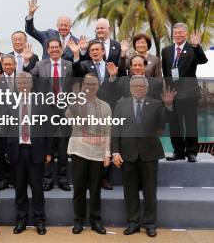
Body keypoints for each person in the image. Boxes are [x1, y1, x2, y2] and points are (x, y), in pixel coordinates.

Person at [112, 76, 176, 237]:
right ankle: (133, 223)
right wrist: (115, 151)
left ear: (147, 88)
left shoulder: (156, 104)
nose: (138, 88)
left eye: (141, 85)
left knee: (150, 191)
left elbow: (165, 122)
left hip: (149, 154)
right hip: (127, 154)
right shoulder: (121, 104)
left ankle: (150, 224)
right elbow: (115, 130)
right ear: (130, 88)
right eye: (135, 85)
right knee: (130, 191)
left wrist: (168, 105)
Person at [8, 73, 52, 236]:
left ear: (31, 84)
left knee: (37, 188)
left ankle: (39, 221)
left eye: (26, 81)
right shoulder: (11, 103)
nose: (23, 84)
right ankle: (21, 220)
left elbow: (49, 128)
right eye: (20, 82)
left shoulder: (41, 102)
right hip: (17, 151)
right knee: (19, 189)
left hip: (37, 151)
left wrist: (48, 151)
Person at [66, 74, 110, 235]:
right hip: (79, 151)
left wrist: (107, 153)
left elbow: (108, 131)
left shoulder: (105, 106)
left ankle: (95, 221)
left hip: (98, 153)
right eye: (87, 84)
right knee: (79, 189)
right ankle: (78, 221)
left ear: (98, 85)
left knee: (95, 189)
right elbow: (68, 116)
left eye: (93, 83)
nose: (90, 86)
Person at [29, 38, 74, 192]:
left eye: (57, 47)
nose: (54, 50)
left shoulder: (69, 65)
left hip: (64, 111)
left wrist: (78, 54)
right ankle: (47, 179)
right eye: (51, 48)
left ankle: (62, 179)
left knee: (62, 147)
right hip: (46, 111)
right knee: (46, 146)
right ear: (47, 50)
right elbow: (29, 79)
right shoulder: (40, 65)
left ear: (61, 48)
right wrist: (28, 61)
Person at [161, 24, 208, 162]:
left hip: (189, 94)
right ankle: (178, 151)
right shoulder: (166, 50)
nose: (177, 35)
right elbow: (166, 72)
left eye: (180, 33)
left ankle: (192, 152)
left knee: (190, 124)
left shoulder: (192, 48)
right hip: (173, 94)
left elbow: (203, 60)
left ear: (186, 34)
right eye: (175, 33)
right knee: (175, 124)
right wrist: (168, 93)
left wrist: (196, 46)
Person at [0, 54, 19, 191]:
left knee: (15, 152)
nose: (8, 67)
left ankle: (15, 178)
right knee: (0, 153)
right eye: (5, 64)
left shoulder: (21, 79)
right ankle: (2, 180)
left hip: (18, 122)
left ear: (15, 65)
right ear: (1, 65)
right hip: (1, 122)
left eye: (10, 64)